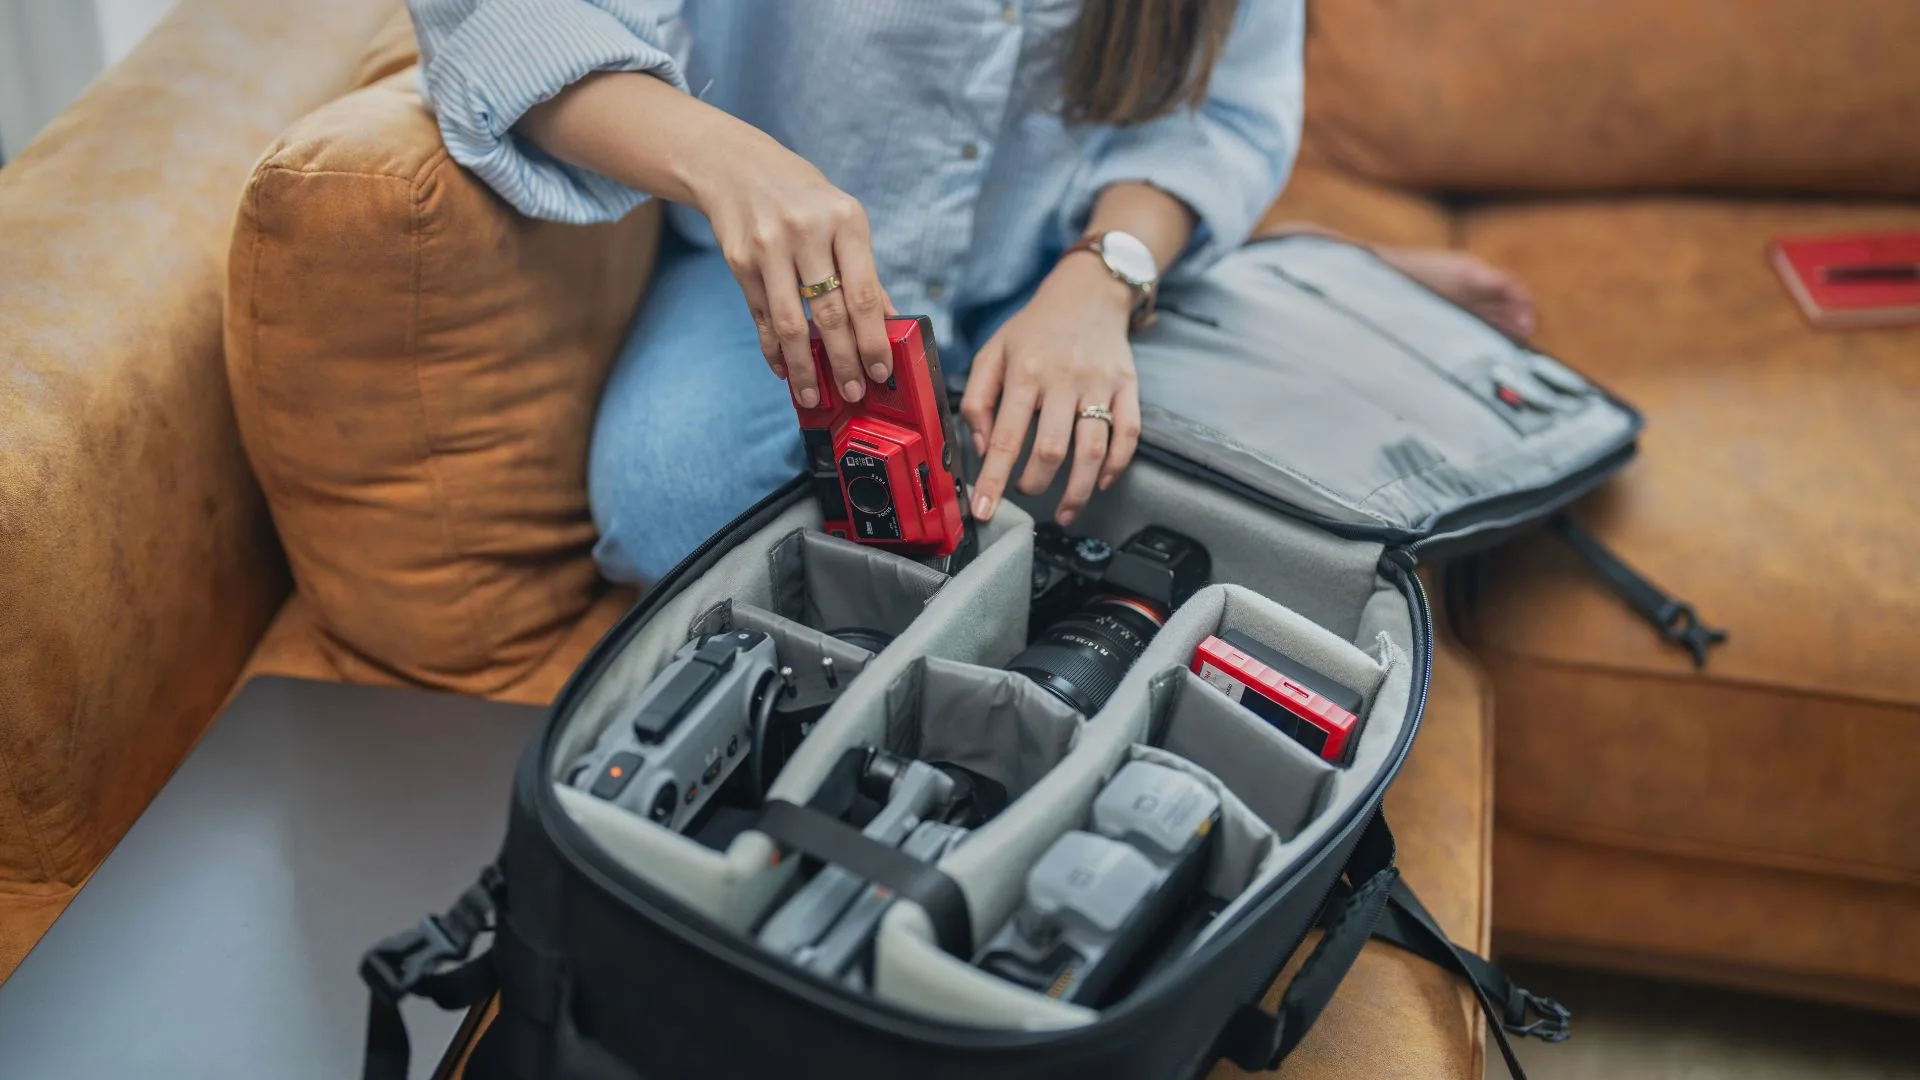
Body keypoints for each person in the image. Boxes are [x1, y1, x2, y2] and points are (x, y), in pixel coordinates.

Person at [408, 0, 1533, 585]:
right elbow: (505, 24)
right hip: (767, 270)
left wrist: (1101, 284)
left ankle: (1270, 263)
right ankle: (1270, 265)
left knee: (1245, 504)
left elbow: (1220, 114)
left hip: (1063, 258)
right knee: (672, 501)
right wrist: (736, 165)